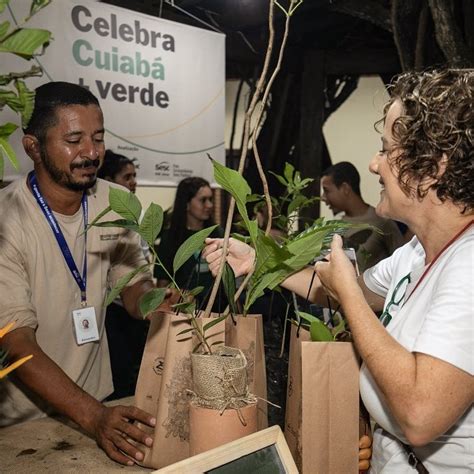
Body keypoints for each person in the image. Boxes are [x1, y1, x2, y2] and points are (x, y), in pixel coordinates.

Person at [204, 69, 473, 472]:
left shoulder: (469, 267)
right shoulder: (418, 252)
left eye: (385, 150)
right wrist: (260, 264)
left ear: (431, 168)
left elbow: (420, 414)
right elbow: (339, 286)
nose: (373, 164)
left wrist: (348, 295)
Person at [0, 82, 173, 466]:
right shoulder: (6, 220)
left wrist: (158, 302)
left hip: (102, 401)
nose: (91, 153)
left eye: (97, 138)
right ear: (33, 147)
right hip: (23, 424)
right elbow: (15, 343)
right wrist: (92, 417)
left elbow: (131, 288)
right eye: (74, 140)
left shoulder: (115, 202)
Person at [97, 150, 149, 400]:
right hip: (111, 316)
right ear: (107, 180)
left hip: (134, 308)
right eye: (127, 176)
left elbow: (136, 273)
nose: (133, 182)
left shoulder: (131, 217)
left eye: (135, 176)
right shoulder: (98, 218)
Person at [154, 176, 224, 309]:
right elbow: (162, 285)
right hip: (184, 312)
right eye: (203, 200)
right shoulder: (171, 238)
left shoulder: (217, 234)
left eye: (210, 199)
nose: (209, 205)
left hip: (217, 310)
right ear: (186, 203)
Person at [321, 161, 404, 271]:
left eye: (327, 191)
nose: (323, 197)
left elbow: (402, 265)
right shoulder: (335, 227)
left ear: (345, 188)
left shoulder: (382, 223)